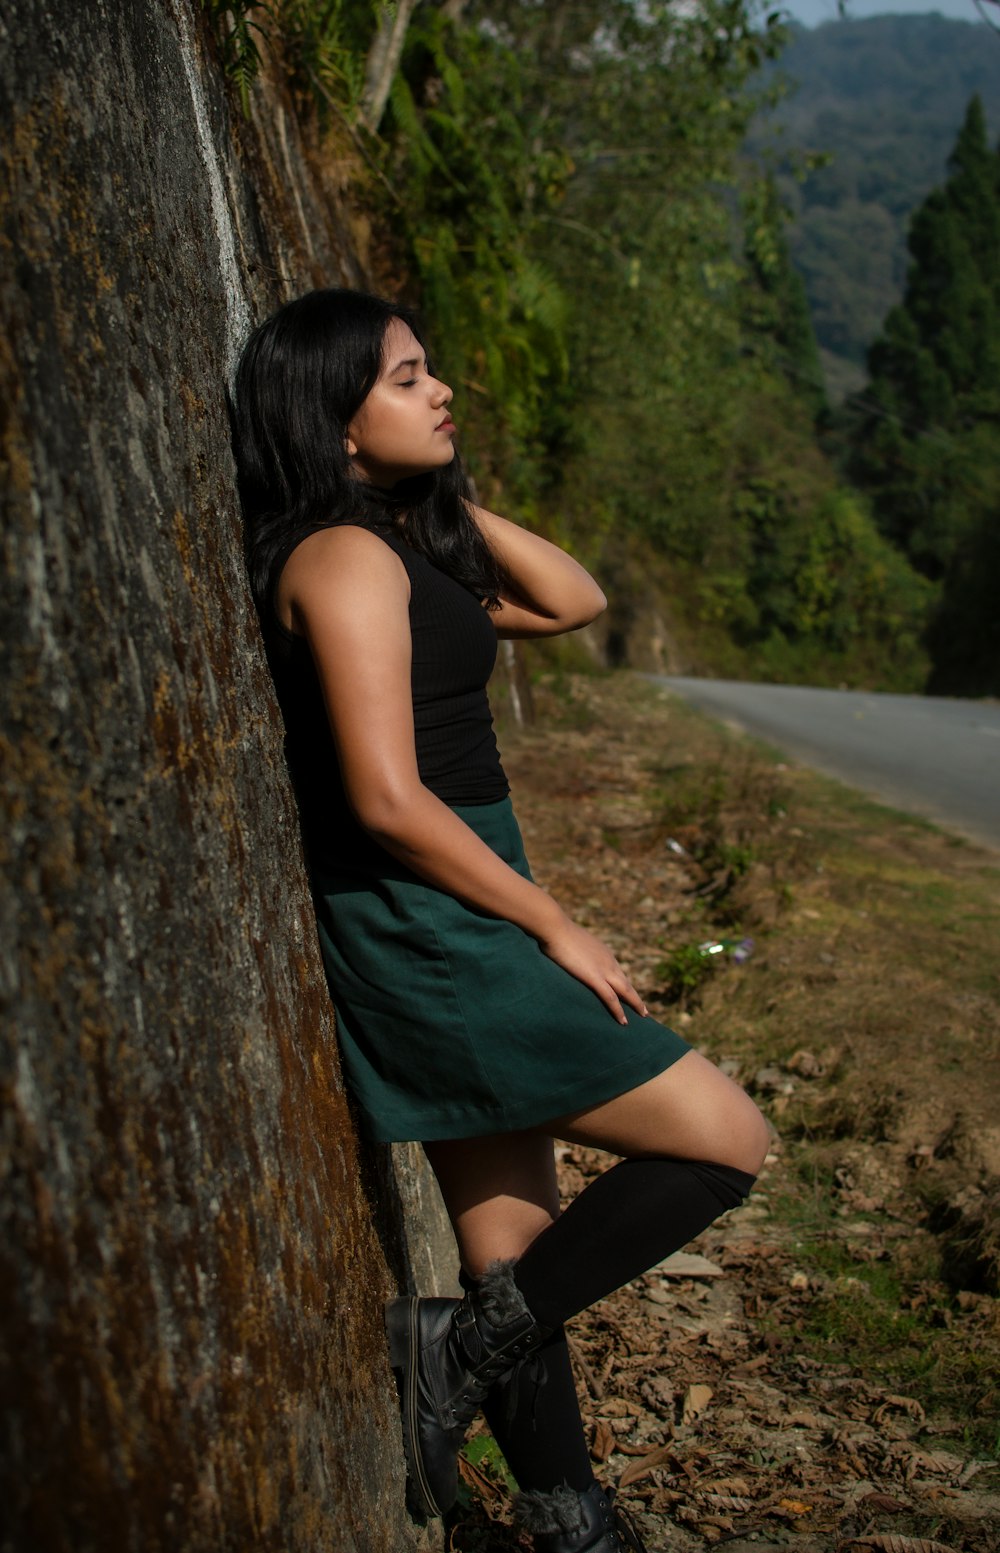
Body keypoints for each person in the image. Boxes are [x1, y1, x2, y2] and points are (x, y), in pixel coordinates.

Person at [232, 288, 769, 1553]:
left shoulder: (399, 544)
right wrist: (556, 924)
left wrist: (440, 488)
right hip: (431, 910)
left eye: (431, 373)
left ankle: (565, 1517)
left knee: (513, 1251)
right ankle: (455, 1348)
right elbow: (385, 795)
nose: (442, 393)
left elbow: (572, 599)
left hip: (462, 883)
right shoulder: (340, 557)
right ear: (336, 424)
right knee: (722, 1139)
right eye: (408, 380)